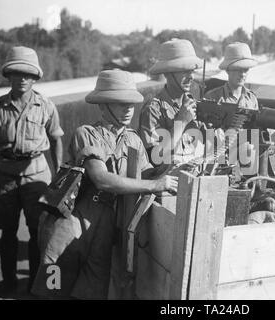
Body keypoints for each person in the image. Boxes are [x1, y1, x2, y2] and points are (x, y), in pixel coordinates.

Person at [32, 70, 178, 299]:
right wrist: (155, 185)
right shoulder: (87, 134)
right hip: (72, 219)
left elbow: (151, 173)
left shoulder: (134, 140)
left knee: (93, 291)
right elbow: (101, 179)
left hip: (106, 225)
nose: (128, 108)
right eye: (120, 103)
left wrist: (177, 143)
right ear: (103, 106)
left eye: (130, 102)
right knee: (54, 285)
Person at [0, 46, 64, 296]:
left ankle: (37, 285)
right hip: (4, 175)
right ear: (8, 76)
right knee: (8, 230)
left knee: (39, 231)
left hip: (37, 174)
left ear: (35, 77)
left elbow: (56, 138)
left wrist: (58, 174)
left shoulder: (45, 105)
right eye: (16, 73)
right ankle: (9, 283)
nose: (22, 78)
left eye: (28, 74)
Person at [139, 38, 205, 168]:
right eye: (184, 71)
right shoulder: (153, 109)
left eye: (191, 71)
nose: (191, 76)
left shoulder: (192, 104)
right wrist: (181, 121)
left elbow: (213, 144)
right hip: (166, 183)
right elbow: (155, 158)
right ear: (167, 73)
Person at [204, 42, 260, 176]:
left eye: (245, 70)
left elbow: (255, 132)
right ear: (228, 70)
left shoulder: (251, 99)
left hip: (246, 158)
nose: (242, 74)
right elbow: (205, 133)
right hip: (218, 159)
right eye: (238, 69)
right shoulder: (213, 97)